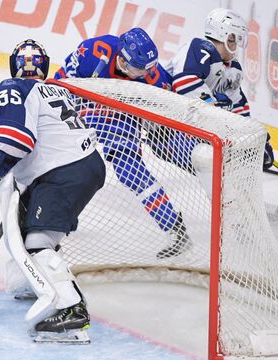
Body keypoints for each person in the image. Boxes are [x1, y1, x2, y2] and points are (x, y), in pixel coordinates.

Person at [0, 39, 106, 344]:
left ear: (14, 66)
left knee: (37, 242)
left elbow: (16, 141)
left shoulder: (12, 87)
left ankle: (70, 309)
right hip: (85, 163)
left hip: (64, 170)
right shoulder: (57, 88)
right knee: (30, 222)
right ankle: (35, 283)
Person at [55, 28, 193, 259]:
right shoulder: (92, 51)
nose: (143, 74)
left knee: (130, 171)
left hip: (120, 116)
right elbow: (58, 84)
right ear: (121, 58)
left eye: (148, 69)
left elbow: (173, 107)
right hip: (84, 107)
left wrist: (157, 122)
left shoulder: (152, 75)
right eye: (138, 69)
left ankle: (174, 228)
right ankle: (51, 217)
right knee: (65, 161)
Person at [163, 8, 278, 223]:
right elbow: (184, 86)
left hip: (198, 130)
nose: (236, 44)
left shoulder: (233, 68)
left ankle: (252, 207)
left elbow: (238, 103)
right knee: (209, 161)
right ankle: (232, 217)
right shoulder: (199, 49)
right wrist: (216, 109)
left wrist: (256, 140)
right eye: (233, 38)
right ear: (220, 34)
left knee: (240, 157)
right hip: (168, 129)